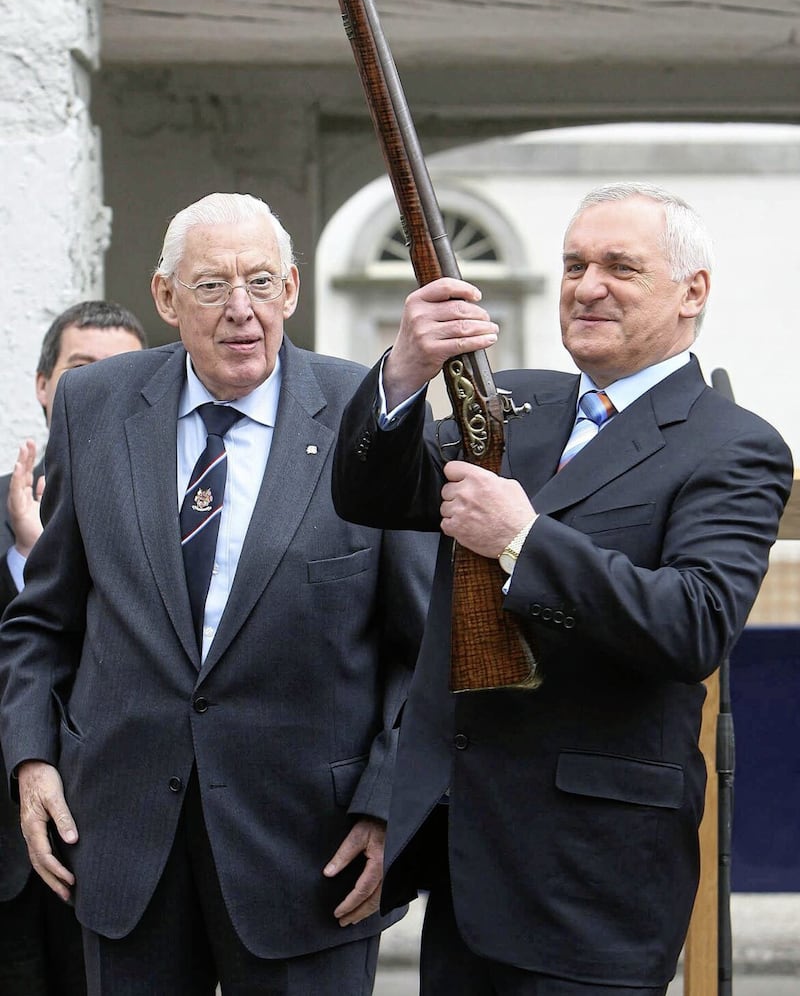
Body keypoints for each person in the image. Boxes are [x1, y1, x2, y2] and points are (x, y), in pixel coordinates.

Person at [331, 182, 794, 995]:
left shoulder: (735, 445)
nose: (586, 286)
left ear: (693, 292)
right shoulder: (520, 404)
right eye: (575, 264)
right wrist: (405, 370)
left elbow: (693, 626)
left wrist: (523, 538)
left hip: (596, 885)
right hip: (466, 867)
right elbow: (370, 494)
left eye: (621, 266)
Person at [0, 193, 434, 996]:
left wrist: (389, 803)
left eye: (261, 283)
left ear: (293, 291)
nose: (242, 310)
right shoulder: (96, 408)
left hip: (315, 857)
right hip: (125, 845)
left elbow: (424, 647)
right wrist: (31, 761)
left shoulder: (368, 415)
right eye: (211, 287)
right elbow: (42, 620)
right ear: (166, 297)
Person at [0, 299, 146, 995]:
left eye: (121, 371)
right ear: (43, 385)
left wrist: (41, 557)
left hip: (116, 855)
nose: (99, 387)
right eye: (81, 369)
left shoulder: (176, 519)